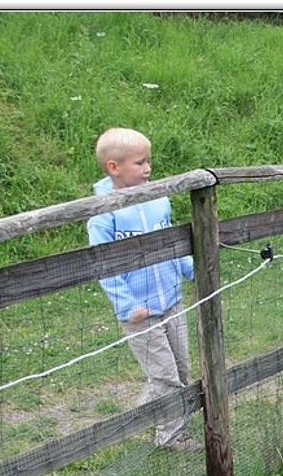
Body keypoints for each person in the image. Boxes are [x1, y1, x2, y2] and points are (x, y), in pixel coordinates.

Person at [87, 127, 198, 451]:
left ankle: (140, 416)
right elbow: (103, 266)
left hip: (172, 299)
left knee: (180, 368)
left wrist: (191, 269)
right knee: (165, 376)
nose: (148, 168)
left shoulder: (158, 199)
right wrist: (127, 305)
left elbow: (170, 241)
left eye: (148, 161)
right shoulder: (102, 213)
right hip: (139, 312)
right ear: (113, 167)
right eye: (140, 163)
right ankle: (171, 436)